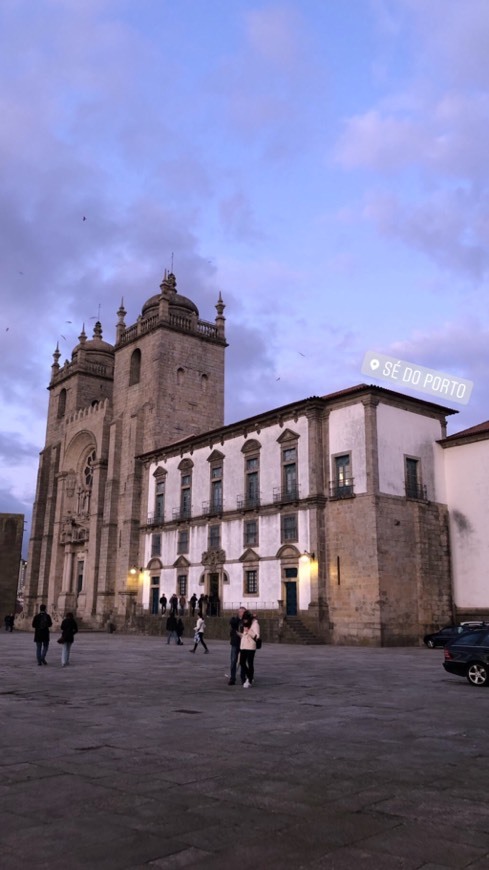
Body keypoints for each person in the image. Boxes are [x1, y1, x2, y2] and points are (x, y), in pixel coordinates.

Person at [239, 610, 260, 688]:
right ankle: (250, 675)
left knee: (250, 663)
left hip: (251, 646)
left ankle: (249, 680)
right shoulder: (246, 624)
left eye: (246, 619)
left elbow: (257, 636)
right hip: (244, 646)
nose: (245, 621)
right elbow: (244, 634)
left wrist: (249, 631)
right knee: (242, 662)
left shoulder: (255, 624)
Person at [228, 606, 245, 685]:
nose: (241, 613)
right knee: (233, 660)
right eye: (240, 611)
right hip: (235, 643)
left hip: (244, 644)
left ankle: (243, 678)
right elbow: (232, 623)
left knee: (243, 662)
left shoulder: (246, 621)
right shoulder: (235, 620)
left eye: (243, 612)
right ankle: (232, 678)